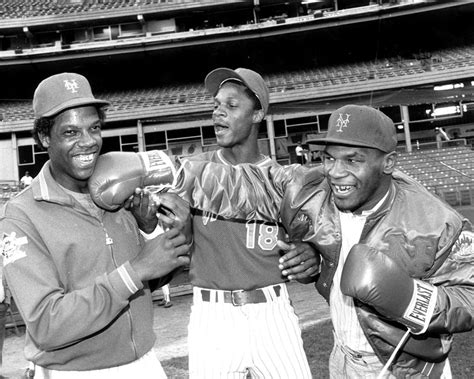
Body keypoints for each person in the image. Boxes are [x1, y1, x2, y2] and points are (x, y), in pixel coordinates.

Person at [90, 68, 319, 379]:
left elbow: (308, 251)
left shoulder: (283, 180)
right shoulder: (193, 173)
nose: (218, 113)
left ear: (258, 114)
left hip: (273, 310)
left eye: (231, 105)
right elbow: (178, 253)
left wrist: (310, 256)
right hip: (213, 317)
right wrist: (160, 224)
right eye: (215, 105)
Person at [0, 72, 191, 379]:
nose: (88, 142)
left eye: (94, 128)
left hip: (143, 364)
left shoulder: (118, 189)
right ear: (45, 138)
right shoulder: (21, 215)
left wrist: (151, 229)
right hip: (75, 372)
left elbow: (152, 280)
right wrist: (136, 270)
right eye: (71, 132)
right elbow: (46, 324)